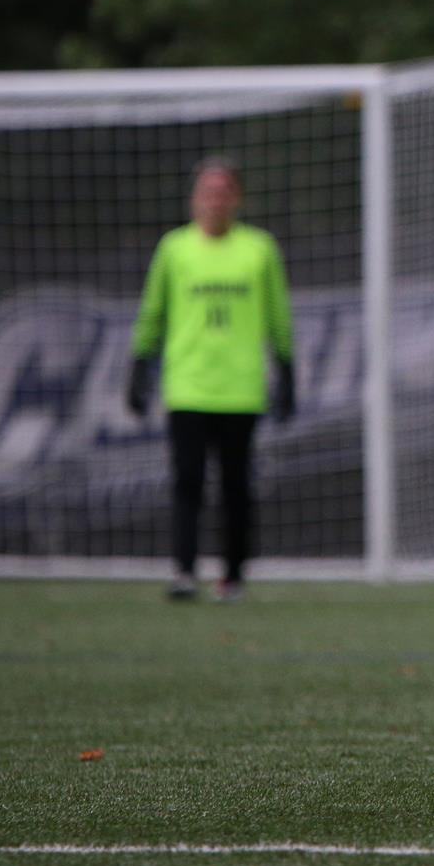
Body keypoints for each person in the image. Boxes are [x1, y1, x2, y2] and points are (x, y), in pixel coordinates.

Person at [128, 157, 296, 602]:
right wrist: (139, 365)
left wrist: (287, 368)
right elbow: (154, 311)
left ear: (236, 198)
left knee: (236, 486)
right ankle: (184, 573)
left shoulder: (259, 249)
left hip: (241, 388)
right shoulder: (174, 249)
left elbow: (278, 315)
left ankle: (233, 577)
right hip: (188, 385)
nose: (215, 200)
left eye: (223, 192)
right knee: (187, 481)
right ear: (194, 199)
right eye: (207, 191)